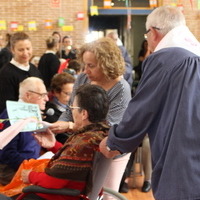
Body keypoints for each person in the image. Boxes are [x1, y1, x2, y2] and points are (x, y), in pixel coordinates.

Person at [100, 5, 200, 200]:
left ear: (153, 32)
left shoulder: (164, 58)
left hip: (181, 159)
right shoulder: (195, 53)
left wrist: (114, 141)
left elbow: (143, 108)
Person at [50, 37, 131, 199]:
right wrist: (56, 126)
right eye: (85, 65)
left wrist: (70, 126)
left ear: (107, 64)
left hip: (110, 151)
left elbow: (108, 127)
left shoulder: (121, 89)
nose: (86, 70)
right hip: (85, 146)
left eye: (91, 66)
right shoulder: (83, 79)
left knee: (108, 195)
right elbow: (70, 109)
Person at [20, 83, 110, 200]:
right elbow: (75, 160)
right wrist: (54, 145)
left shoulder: (84, 143)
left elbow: (53, 182)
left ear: (84, 114)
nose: (72, 112)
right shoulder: (99, 135)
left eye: (73, 108)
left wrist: (30, 176)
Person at [0, 77, 48, 185]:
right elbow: (7, 154)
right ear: (28, 95)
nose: (47, 99)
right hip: (11, 171)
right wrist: (32, 168)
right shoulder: (12, 115)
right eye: (42, 95)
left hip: (29, 166)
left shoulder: (33, 114)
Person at [0, 32, 42, 113]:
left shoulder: (33, 69)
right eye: (21, 50)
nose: (25, 53)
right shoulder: (5, 73)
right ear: (12, 50)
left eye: (28, 48)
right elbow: (6, 105)